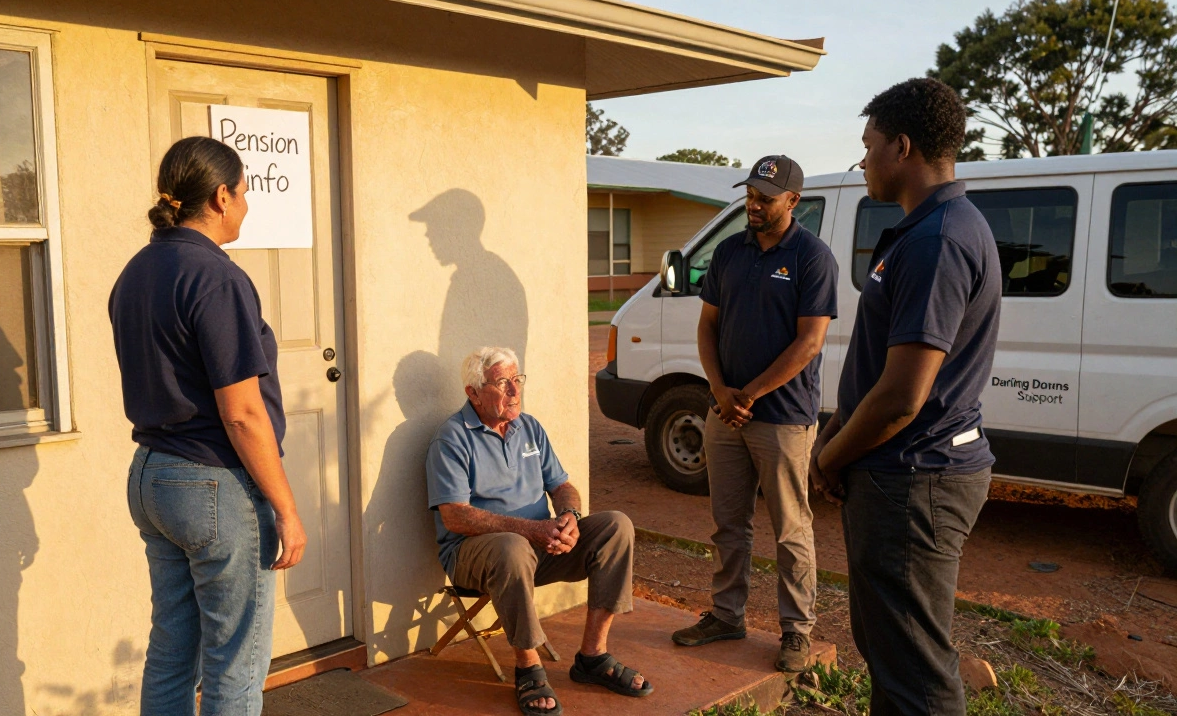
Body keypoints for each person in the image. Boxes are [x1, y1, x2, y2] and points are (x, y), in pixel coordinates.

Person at [810, 78, 1002, 715]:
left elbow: (900, 398)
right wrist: (838, 441)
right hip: (904, 473)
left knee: (914, 671)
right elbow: (879, 380)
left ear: (903, 145)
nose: (862, 161)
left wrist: (831, 456)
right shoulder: (932, 229)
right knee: (896, 652)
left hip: (916, 478)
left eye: (868, 146)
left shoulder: (937, 240)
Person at [109, 136, 307, 715]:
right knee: (236, 662)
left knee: (173, 650)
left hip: (152, 477)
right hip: (212, 481)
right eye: (244, 194)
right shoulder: (216, 278)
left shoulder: (136, 272)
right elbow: (242, 413)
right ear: (221, 197)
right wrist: (286, 509)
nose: (247, 205)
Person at [671, 155, 839, 674]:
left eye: (765, 198)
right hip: (725, 412)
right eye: (751, 195)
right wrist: (721, 392)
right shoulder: (729, 252)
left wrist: (749, 395)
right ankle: (726, 615)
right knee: (728, 523)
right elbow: (707, 328)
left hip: (783, 417)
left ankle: (796, 631)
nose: (754, 205)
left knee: (790, 528)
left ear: (793, 201)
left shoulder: (812, 258)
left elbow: (809, 342)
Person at [427, 346, 650, 716]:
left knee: (616, 525)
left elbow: (562, 485)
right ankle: (529, 667)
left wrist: (569, 517)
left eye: (517, 380)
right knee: (511, 547)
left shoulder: (528, 427)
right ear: (474, 393)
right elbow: (455, 517)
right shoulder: (451, 438)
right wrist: (532, 530)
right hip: (476, 555)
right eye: (502, 383)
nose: (515, 391)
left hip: (539, 546)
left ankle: (593, 657)